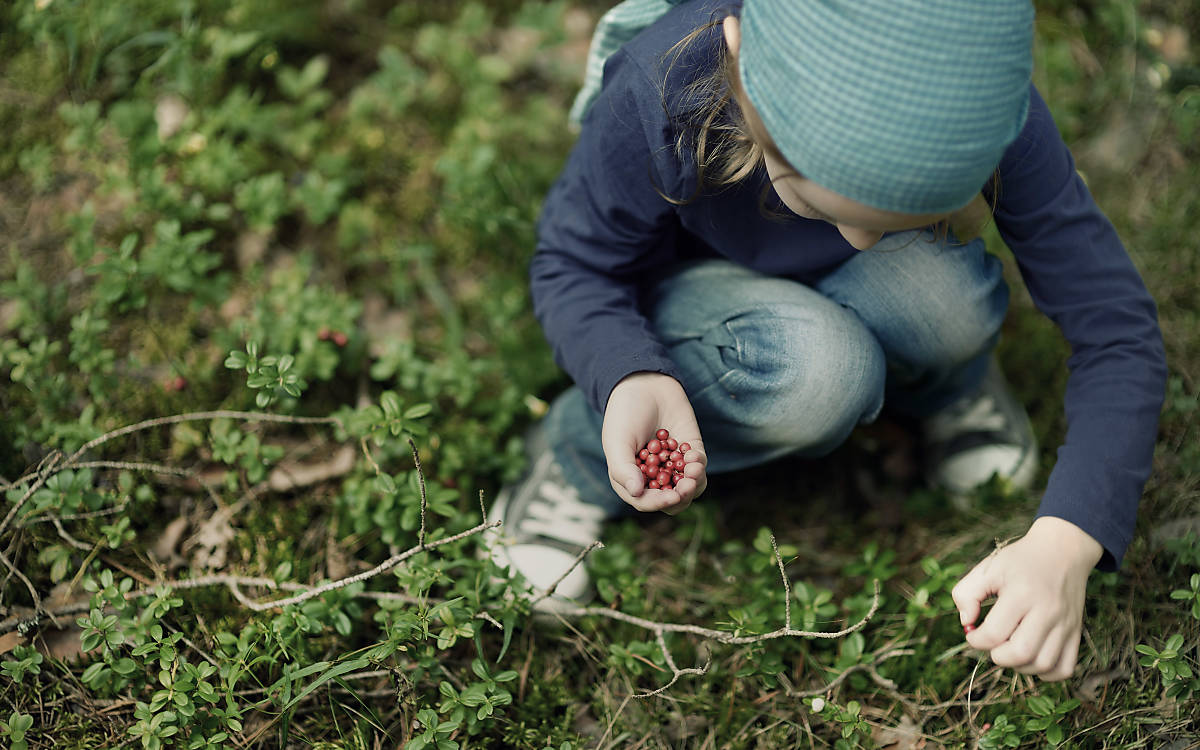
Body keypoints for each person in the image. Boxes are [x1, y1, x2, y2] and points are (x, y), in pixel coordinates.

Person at [484, 0, 1166, 683]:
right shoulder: (665, 89)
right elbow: (574, 265)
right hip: (696, 296)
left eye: (904, 221)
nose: (863, 243)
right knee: (824, 371)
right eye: (818, 204)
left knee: (943, 298)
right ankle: (575, 451)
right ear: (743, 66)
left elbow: (1115, 327)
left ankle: (944, 386)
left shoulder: (979, 96)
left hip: (833, 293)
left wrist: (1069, 538)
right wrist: (628, 375)